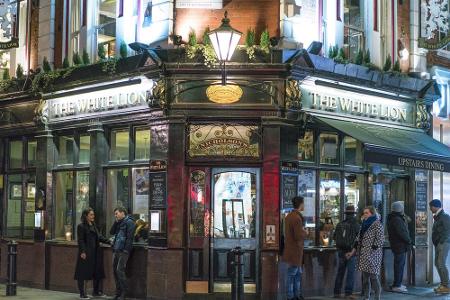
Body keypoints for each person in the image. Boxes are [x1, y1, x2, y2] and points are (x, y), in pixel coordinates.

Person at [346, 206, 384, 300]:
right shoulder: (363, 224)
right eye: (364, 213)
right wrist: (352, 252)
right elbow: (358, 239)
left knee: (373, 277)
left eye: (367, 213)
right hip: (363, 254)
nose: (365, 215)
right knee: (365, 278)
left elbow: (380, 239)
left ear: (372, 213)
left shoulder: (377, 224)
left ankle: (377, 297)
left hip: (373, 255)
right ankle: (366, 297)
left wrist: (372, 248)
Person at [74, 208, 110, 299]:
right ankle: (82, 294)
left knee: (97, 272)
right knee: (82, 273)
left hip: (96, 252)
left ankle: (96, 292)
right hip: (86, 252)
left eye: (93, 214)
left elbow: (99, 236)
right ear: (86, 216)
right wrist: (82, 251)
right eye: (91, 215)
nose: (93, 216)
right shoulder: (81, 226)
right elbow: (81, 240)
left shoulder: (93, 225)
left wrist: (109, 241)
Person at [283, 196, 308, 300]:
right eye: (303, 203)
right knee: (292, 274)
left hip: (291, 249)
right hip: (295, 251)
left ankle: (296, 295)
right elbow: (298, 236)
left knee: (297, 274)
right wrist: (305, 232)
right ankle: (291, 296)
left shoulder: (289, 216)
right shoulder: (297, 218)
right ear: (300, 204)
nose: (304, 205)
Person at [333, 205, 360, 299]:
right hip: (351, 252)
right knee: (350, 273)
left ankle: (336, 292)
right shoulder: (357, 225)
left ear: (346, 214)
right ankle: (348, 293)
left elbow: (334, 237)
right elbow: (358, 240)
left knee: (340, 272)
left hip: (341, 251)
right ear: (353, 214)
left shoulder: (340, 224)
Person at [110, 207, 136, 300]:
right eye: (115, 214)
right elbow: (111, 232)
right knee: (114, 271)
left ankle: (124, 292)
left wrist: (126, 250)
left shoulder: (130, 222)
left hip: (123, 251)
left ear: (122, 213)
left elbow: (130, 238)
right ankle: (118, 292)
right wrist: (116, 222)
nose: (115, 215)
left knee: (119, 271)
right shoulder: (119, 222)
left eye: (116, 213)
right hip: (116, 249)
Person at [387, 201, 411, 292]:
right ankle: (397, 285)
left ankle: (397, 283)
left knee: (399, 265)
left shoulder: (392, 218)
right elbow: (402, 233)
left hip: (396, 245)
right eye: (402, 208)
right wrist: (409, 240)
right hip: (400, 245)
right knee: (399, 265)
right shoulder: (397, 219)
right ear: (399, 209)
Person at [429, 199, 450, 293]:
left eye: (431, 207)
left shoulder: (445, 216)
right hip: (439, 244)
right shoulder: (438, 216)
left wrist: (441, 242)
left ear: (435, 206)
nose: (430, 209)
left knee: (441, 263)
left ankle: (446, 285)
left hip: (443, 243)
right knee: (437, 263)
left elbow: (447, 231)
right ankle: (443, 284)